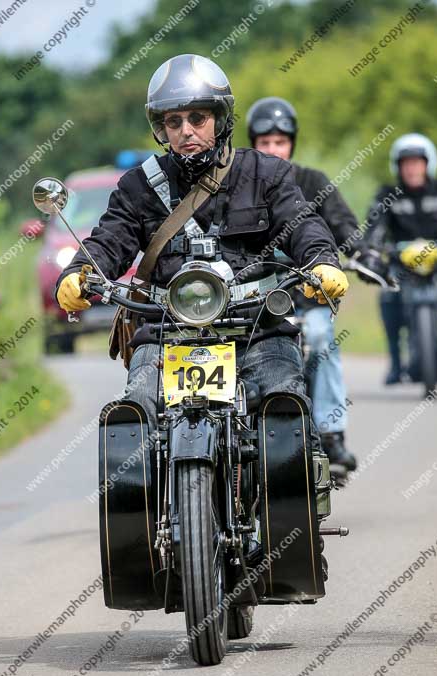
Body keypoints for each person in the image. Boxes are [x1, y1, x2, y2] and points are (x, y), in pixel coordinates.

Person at [55, 55, 348, 442]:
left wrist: (322, 262)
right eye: (173, 122)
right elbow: (111, 238)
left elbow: (303, 225)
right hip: (165, 329)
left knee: (285, 408)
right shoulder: (139, 187)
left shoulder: (266, 174)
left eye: (197, 118)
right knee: (132, 418)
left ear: (220, 118)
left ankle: (290, 494)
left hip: (256, 325)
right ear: (161, 128)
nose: (186, 130)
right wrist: (78, 272)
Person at [247, 96, 372, 471]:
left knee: (319, 338)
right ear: (253, 143)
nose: (272, 150)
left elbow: (342, 223)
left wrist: (362, 252)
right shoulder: (241, 182)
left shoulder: (311, 181)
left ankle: (331, 432)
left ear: (292, 143)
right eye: (264, 143)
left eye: (279, 142)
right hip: (253, 298)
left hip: (307, 293)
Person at [365, 133, 437, 383]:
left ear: (428, 163)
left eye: (417, 162)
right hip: (401, 262)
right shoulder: (388, 194)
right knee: (388, 295)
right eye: (406, 163)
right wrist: (373, 245)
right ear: (397, 166)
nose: (412, 168)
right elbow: (375, 224)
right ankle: (396, 363)